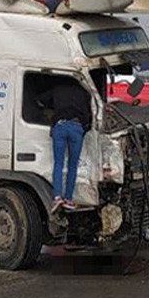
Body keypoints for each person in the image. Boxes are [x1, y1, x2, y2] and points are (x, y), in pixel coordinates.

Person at [41, 78, 92, 210]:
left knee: (58, 163)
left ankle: (57, 197)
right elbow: (88, 114)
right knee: (72, 165)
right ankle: (68, 199)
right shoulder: (83, 92)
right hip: (76, 128)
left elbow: (40, 99)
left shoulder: (57, 89)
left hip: (60, 126)